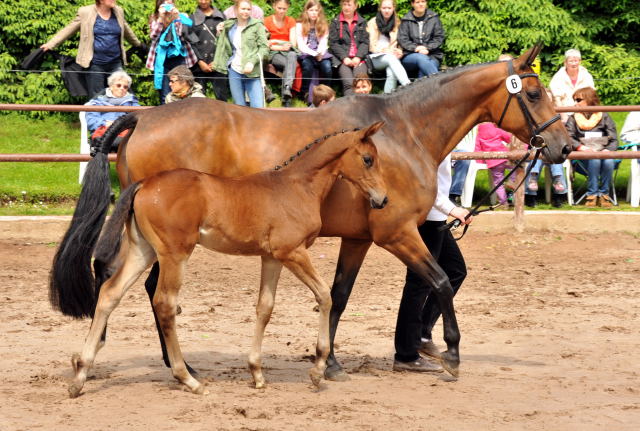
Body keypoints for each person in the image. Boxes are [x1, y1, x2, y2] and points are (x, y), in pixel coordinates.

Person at [394, 155, 472, 372]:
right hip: (427, 217)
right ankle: (406, 355)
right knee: (419, 282)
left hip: (436, 216)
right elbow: (423, 183)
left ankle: (421, 334)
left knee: (455, 271)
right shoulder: (430, 139)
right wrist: (451, 209)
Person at [40, 0, 143, 99]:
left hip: (115, 63)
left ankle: (117, 117)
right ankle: (95, 116)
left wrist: (138, 44)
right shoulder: (85, 12)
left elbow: (126, 30)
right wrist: (50, 45)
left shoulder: (119, 11)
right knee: (97, 97)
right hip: (95, 64)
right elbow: (69, 29)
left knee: (122, 94)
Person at [566, 87, 618, 207]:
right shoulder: (573, 118)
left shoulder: (604, 116)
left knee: (609, 161)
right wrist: (580, 148)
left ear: (589, 100)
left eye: (578, 100)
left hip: (603, 153)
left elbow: (614, 139)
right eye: (574, 100)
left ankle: (604, 195)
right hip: (583, 157)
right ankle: (592, 195)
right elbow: (569, 137)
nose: (575, 103)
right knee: (594, 159)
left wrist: (607, 150)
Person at [213, 0, 269, 108]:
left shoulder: (257, 25)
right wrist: (219, 33)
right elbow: (222, 47)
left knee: (258, 107)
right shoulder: (229, 25)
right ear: (236, 10)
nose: (246, 12)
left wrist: (252, 62)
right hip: (234, 70)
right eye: (243, 9)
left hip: (252, 71)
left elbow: (264, 49)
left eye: (248, 9)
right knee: (239, 107)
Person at [146, 0, 198, 104]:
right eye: (166, 4)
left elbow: (182, 35)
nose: (169, 7)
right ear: (159, 5)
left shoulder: (181, 16)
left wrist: (176, 18)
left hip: (179, 58)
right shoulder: (155, 18)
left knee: (184, 89)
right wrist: (161, 18)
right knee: (165, 94)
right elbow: (153, 36)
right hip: (162, 61)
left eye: (171, 4)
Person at [85, 70, 139, 153]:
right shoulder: (97, 102)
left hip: (124, 135)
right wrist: (105, 123)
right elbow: (91, 121)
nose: (122, 88)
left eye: (125, 87)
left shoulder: (133, 103)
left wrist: (120, 125)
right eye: (118, 85)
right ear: (111, 86)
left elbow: (138, 119)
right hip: (103, 133)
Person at [188, 0, 230, 101]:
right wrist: (200, 61)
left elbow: (225, 41)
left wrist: (216, 61)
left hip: (218, 63)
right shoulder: (191, 19)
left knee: (221, 98)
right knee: (197, 99)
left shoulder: (221, 17)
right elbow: (191, 42)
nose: (203, 1)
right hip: (199, 65)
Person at [365, 0, 410, 93]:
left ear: (393, 9)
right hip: (375, 57)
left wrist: (399, 51)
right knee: (391, 59)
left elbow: (400, 42)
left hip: (392, 56)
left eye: (389, 8)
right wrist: (384, 51)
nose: (386, 10)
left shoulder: (397, 23)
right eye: (384, 8)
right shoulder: (373, 22)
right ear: (380, 9)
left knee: (392, 73)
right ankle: (408, 86)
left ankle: (387, 98)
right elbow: (371, 46)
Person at [328, 0, 370, 96]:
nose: (347, 7)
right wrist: (344, 58)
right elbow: (333, 43)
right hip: (342, 59)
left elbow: (365, 43)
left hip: (359, 59)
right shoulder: (335, 22)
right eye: (344, 4)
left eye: (349, 5)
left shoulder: (362, 22)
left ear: (355, 6)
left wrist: (358, 57)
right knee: (348, 83)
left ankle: (363, 107)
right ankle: (349, 108)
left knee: (360, 82)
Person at [296, 0, 332, 102]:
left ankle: (326, 94)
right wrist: (314, 54)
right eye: (311, 10)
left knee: (327, 68)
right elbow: (301, 45)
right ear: (306, 11)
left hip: (320, 52)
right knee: (307, 67)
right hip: (306, 53)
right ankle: (305, 93)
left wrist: (320, 53)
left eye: (316, 10)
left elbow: (324, 41)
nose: (314, 13)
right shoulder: (300, 25)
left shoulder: (323, 25)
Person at [397, 0, 444, 79]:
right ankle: (440, 85)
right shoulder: (406, 20)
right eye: (417, 2)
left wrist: (427, 48)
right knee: (421, 58)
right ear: (412, 4)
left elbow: (438, 37)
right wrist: (416, 48)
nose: (421, 4)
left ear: (426, 3)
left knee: (424, 70)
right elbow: (403, 39)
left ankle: (419, 91)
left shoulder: (434, 18)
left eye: (423, 1)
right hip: (410, 56)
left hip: (432, 55)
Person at [264, 0, 298, 107]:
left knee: (292, 55)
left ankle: (287, 89)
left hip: (288, 52)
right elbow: (265, 43)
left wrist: (276, 41)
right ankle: (286, 99)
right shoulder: (267, 21)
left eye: (284, 9)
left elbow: (293, 43)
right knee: (290, 64)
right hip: (274, 53)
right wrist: (280, 45)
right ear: (274, 6)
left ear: (287, 8)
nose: (281, 11)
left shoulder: (291, 21)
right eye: (279, 8)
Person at [549, 49, 596, 123]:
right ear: (565, 63)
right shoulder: (557, 78)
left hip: (585, 112)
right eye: (571, 61)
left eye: (576, 61)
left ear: (580, 62)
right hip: (565, 113)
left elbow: (591, 95)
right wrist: (564, 117)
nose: (574, 64)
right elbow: (557, 99)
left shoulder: (586, 75)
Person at [474, 122, 512, 207]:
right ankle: (512, 183)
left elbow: (477, 149)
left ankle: (503, 202)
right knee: (514, 171)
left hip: (493, 162)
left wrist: (480, 162)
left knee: (498, 182)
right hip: (505, 157)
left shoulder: (479, 135)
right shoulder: (497, 130)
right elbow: (508, 138)